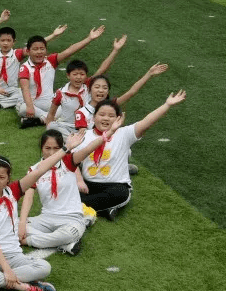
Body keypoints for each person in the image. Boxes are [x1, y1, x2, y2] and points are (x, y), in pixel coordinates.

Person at [0, 135, 89, 291]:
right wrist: (7, 269)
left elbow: (40, 170)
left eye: (1, 177)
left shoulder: (13, 191)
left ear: (8, 179)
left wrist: (65, 149)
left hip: (13, 255)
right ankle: (23, 287)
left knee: (44, 267)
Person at [76, 90, 186, 220]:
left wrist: (167, 105)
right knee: (68, 190)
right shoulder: (84, 136)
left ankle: (80, 208)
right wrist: (79, 181)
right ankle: (104, 209)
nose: (106, 118)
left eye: (111, 116)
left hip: (115, 185)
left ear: (118, 119)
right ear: (94, 117)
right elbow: (72, 163)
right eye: (102, 114)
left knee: (120, 194)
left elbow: (147, 122)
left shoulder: (124, 133)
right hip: (88, 184)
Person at [18, 127, 118, 255]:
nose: (51, 153)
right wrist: (21, 223)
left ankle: (29, 241)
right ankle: (66, 245)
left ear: (62, 148)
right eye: (47, 148)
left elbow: (88, 149)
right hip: (46, 219)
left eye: (56, 148)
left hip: (72, 219)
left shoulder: (68, 161)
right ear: (41, 149)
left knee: (70, 233)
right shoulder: (34, 170)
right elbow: (28, 197)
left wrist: (110, 132)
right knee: (11, 226)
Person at [17, 25, 104, 128]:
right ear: (28, 51)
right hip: (33, 102)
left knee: (66, 109)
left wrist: (89, 39)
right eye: (35, 49)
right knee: (23, 109)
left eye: (42, 49)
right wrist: (30, 106)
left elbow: (70, 51)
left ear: (46, 50)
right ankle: (44, 119)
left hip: (49, 103)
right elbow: (25, 88)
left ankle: (39, 119)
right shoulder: (25, 67)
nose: (39, 52)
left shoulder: (50, 61)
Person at [0, 24, 66, 111]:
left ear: (14, 42)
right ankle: (4, 102)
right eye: (2, 40)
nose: (5, 43)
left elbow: (34, 46)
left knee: (23, 96)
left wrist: (53, 35)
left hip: (12, 90)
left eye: (9, 40)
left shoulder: (16, 54)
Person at [43, 60, 90, 136]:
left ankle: (72, 141)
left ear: (86, 76)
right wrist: (48, 133)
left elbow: (101, 72)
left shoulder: (89, 89)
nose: (78, 77)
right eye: (75, 74)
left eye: (82, 74)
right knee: (52, 126)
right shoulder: (61, 93)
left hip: (85, 127)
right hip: (66, 126)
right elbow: (51, 113)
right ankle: (74, 141)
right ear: (68, 75)